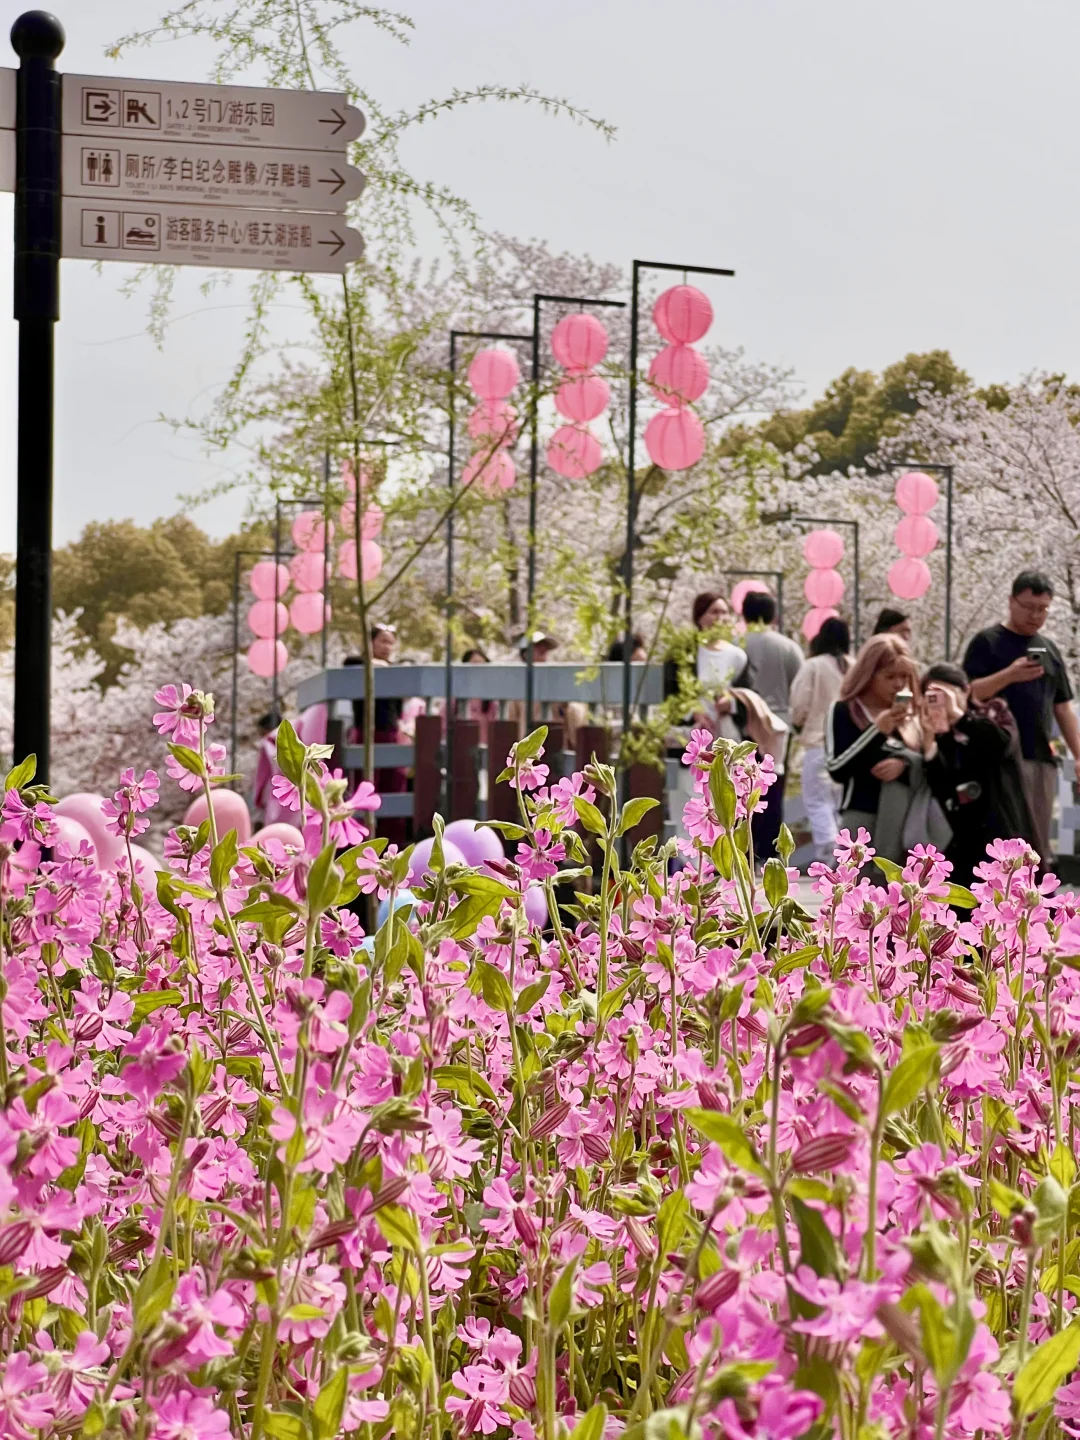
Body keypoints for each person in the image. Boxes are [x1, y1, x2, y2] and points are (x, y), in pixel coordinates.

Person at [962, 570, 1080, 867]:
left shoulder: (1049, 650)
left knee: (1036, 843)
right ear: (1011, 601)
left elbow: (1063, 707)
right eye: (1028, 607)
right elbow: (968, 693)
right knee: (1004, 838)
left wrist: (1079, 755)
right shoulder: (987, 642)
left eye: (1043, 609)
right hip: (998, 759)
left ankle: (1033, 893)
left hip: (1040, 757)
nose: (1035, 615)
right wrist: (1010, 675)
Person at [824, 633, 950, 861]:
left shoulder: (914, 714)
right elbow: (837, 768)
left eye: (904, 676)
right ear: (868, 675)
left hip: (910, 820)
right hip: (862, 815)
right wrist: (877, 731)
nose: (898, 684)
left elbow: (935, 768)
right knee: (848, 880)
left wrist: (906, 762)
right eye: (890, 676)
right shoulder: (845, 711)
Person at [919, 662, 1034, 886]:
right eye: (932, 696)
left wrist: (960, 717)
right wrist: (929, 742)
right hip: (962, 834)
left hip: (999, 821)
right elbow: (941, 785)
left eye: (946, 694)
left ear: (966, 690)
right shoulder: (939, 732)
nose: (942, 702)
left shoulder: (992, 712)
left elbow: (1001, 744)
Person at [741, 590, 803, 863]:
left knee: (742, 788)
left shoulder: (736, 645)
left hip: (743, 723)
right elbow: (798, 687)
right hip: (778, 724)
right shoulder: (788, 647)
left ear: (744, 615)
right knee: (772, 786)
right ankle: (768, 851)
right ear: (774, 616)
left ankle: (742, 850)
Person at [790, 616, 850, 861]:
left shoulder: (813, 666)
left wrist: (798, 723)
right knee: (839, 801)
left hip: (818, 741)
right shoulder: (853, 666)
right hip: (848, 744)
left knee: (816, 799)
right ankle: (846, 849)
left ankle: (828, 847)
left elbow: (799, 703)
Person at [346, 624, 408, 844]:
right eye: (382, 641)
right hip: (365, 731)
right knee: (367, 783)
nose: (386, 647)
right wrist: (374, 664)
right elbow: (349, 663)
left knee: (394, 782)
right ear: (370, 642)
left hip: (390, 731)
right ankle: (363, 838)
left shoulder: (395, 671)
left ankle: (392, 840)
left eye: (390, 642)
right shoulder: (358, 664)